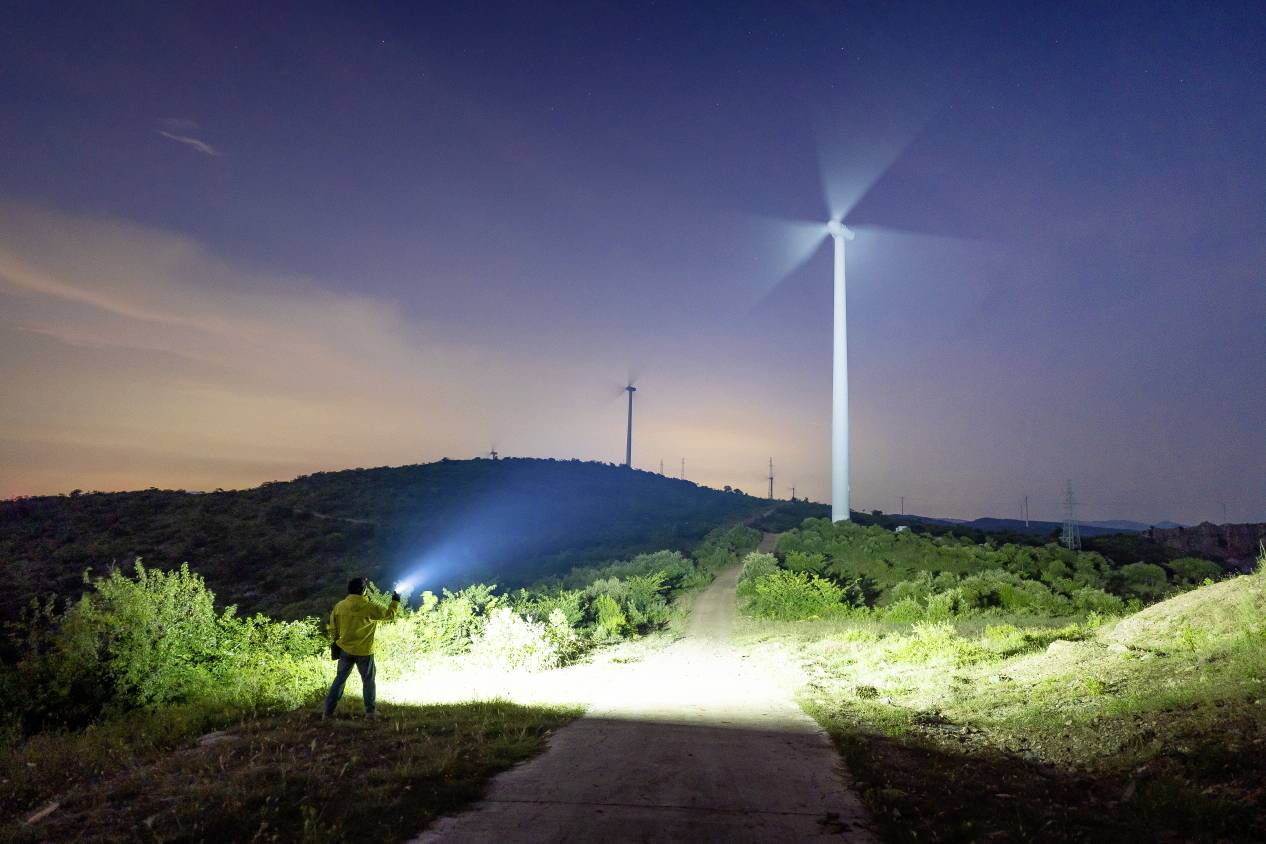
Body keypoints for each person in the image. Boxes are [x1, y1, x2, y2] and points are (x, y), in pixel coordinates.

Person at [323, 578, 400, 718]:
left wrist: (337, 641)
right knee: (368, 681)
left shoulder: (340, 606)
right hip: (365, 651)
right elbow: (390, 615)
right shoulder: (370, 607)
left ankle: (328, 712)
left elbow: (333, 627)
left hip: (345, 649)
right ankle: (370, 712)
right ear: (363, 590)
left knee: (339, 680)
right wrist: (395, 601)